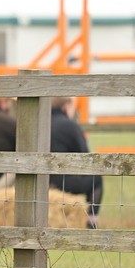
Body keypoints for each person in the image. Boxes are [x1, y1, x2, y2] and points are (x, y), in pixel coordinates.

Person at [48, 97, 103, 228]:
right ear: (66, 106)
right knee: (97, 179)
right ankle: (91, 220)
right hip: (63, 182)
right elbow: (86, 157)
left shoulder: (41, 123)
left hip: (42, 180)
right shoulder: (70, 126)